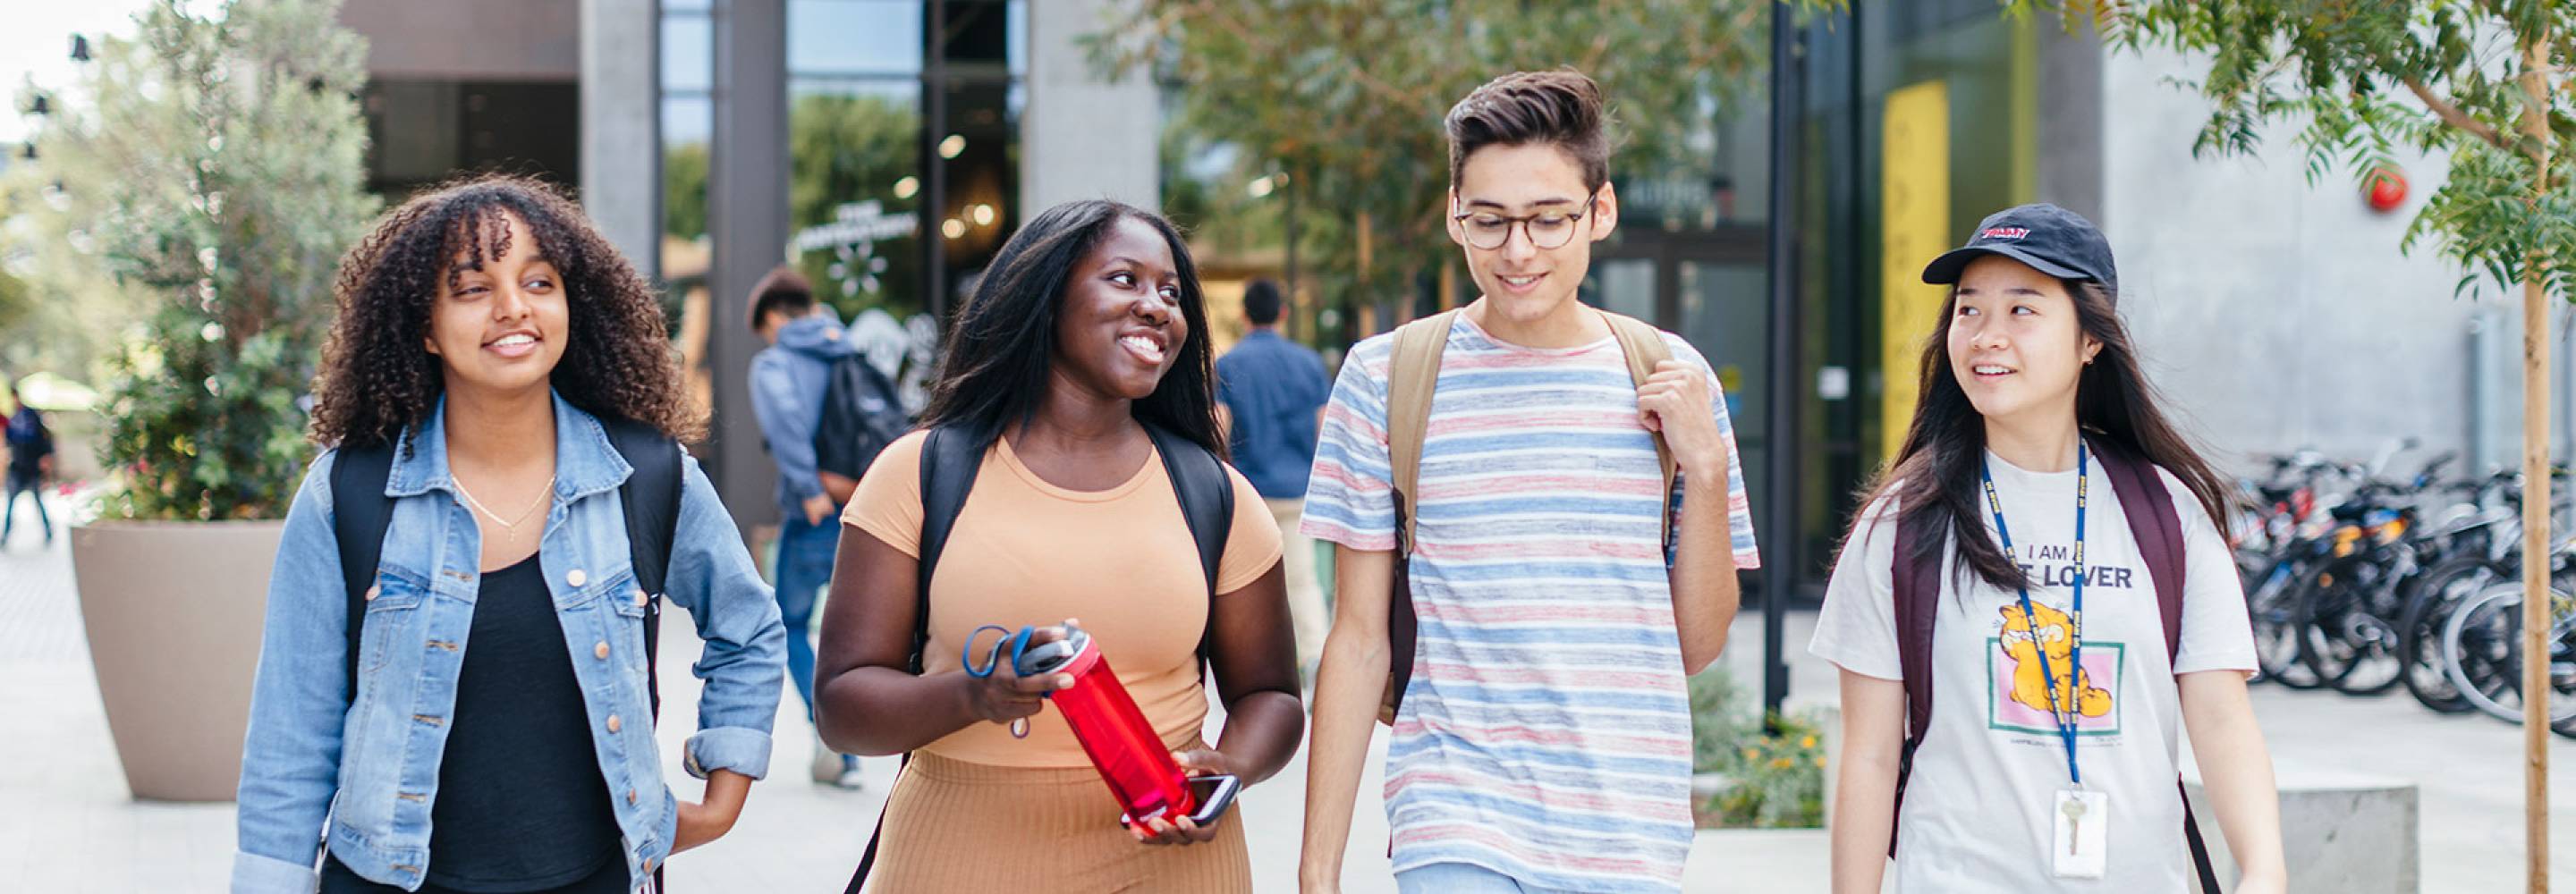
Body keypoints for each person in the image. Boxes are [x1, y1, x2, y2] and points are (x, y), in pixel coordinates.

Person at [233, 174, 788, 894]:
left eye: (539, 282)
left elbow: (749, 627)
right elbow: (291, 730)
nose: (513, 308)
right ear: (425, 326)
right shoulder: (349, 491)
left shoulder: (645, 475)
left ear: (569, 305)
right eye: (471, 289)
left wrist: (723, 794)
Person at [1299, 70, 1762, 894]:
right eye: (1491, 220)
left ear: (1602, 211)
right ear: (1454, 215)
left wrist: (1710, 466)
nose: (1518, 252)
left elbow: (1694, 645)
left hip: (1629, 829)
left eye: (1549, 220)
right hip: (1457, 811)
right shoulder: (1388, 377)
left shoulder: (1668, 375)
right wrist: (1318, 870)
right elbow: (1360, 638)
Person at [815, 199, 1303, 893]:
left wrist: (1231, 769)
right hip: (959, 859)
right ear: (1046, 298)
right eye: (1124, 279)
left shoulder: (1215, 493)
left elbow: (1272, 694)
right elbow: (842, 707)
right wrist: (976, 695)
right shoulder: (920, 473)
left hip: (1170, 863)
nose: (1157, 306)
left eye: (1171, 292)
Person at [1808, 204, 2286, 892]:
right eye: (1969, 312)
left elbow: (2218, 714)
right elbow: (1871, 757)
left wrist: (2265, 866)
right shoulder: (1903, 524)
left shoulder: (2166, 514)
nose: (1985, 337)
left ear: (2091, 340)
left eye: (2022, 311)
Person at [746, 266, 867, 789]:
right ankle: (854, 742)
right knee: (852, 633)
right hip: (866, 508)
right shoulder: (847, 346)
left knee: (788, 623)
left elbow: (786, 422)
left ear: (773, 317)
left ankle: (833, 737)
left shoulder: (776, 362)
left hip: (814, 515)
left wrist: (810, 489)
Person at [1215, 279, 1332, 674]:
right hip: (1299, 490)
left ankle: (1254, 664)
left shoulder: (1229, 365)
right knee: (1302, 580)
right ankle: (1313, 657)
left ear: (1244, 315)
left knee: (1247, 583)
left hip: (1250, 493)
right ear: (1283, 313)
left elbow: (1219, 427)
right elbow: (1325, 428)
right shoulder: (1308, 362)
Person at [4, 378, 55, 548]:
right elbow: (11, 441)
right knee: (11, 503)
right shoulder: (13, 419)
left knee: (38, 502)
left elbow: (45, 438)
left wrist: (46, 456)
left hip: (32, 466)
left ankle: (48, 532)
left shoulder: (31, 416)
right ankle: (5, 536)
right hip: (17, 466)